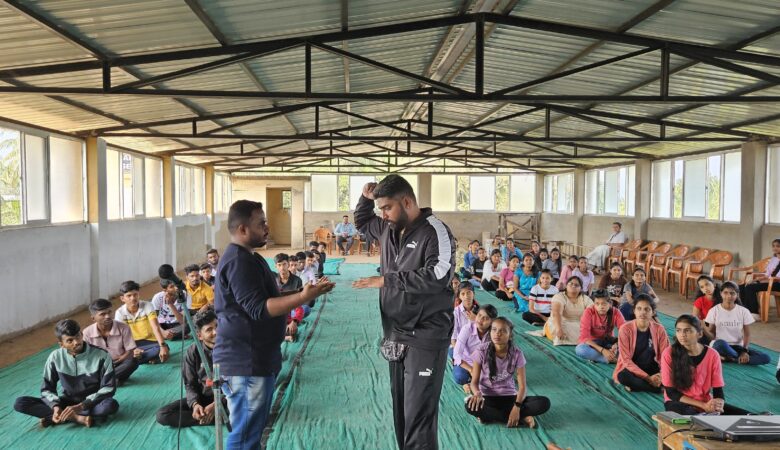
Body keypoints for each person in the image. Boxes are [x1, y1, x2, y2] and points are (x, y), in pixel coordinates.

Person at [214, 200, 334, 449]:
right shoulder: (239, 261)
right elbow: (258, 308)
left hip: (258, 357)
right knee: (245, 436)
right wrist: (303, 298)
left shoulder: (251, 258)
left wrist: (304, 291)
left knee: (251, 433)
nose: (267, 228)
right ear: (243, 229)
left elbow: (270, 298)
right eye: (262, 223)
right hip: (246, 361)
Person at [352, 176, 455, 450]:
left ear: (407, 202)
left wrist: (389, 279)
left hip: (425, 335)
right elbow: (362, 223)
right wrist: (365, 198)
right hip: (395, 333)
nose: (382, 215)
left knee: (419, 417)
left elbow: (438, 274)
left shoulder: (435, 231)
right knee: (403, 413)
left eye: (386, 208)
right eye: (380, 209)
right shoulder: (388, 228)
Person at [14, 319, 118, 428]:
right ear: (61, 344)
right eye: (70, 340)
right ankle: (76, 418)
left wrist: (82, 406)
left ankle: (57, 418)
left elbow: (109, 387)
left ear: (82, 334)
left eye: (78, 336)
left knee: (110, 406)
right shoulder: (55, 357)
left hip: (91, 403)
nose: (76, 342)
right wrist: (55, 407)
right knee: (20, 403)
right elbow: (47, 389)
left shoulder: (102, 355)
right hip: (67, 402)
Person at [465, 317, 551, 427]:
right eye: (494, 329)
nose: (497, 334)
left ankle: (491, 417)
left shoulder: (517, 353)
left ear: (510, 335)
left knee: (544, 403)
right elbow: (474, 382)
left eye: (503, 331)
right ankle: (520, 418)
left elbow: (522, 387)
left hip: (510, 397)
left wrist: (517, 407)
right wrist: (477, 393)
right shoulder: (481, 350)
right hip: (487, 397)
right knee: (469, 406)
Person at [661, 315, 752, 415]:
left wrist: (719, 403)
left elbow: (718, 389)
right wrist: (703, 406)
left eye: (688, 331)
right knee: (695, 418)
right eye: (678, 330)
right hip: (678, 402)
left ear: (699, 334)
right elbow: (671, 392)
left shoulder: (713, 355)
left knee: (746, 416)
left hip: (705, 402)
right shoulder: (669, 353)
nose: (682, 335)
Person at [157, 308, 229, 428]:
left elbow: (238, 385)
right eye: (209, 330)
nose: (216, 332)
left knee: (245, 409)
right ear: (199, 336)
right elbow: (190, 384)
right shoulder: (193, 351)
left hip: (227, 398)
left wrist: (217, 404)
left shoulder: (232, 347)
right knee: (163, 415)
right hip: (205, 396)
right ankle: (208, 417)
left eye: (217, 326)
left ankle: (216, 415)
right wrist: (195, 404)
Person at [613, 295, 669, 393]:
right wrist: (648, 378)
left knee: (678, 371)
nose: (643, 312)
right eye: (639, 309)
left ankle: (637, 385)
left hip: (653, 368)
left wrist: (660, 374)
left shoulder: (659, 329)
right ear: (634, 311)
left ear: (653, 312)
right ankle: (655, 388)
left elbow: (666, 355)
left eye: (647, 309)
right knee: (622, 376)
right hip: (633, 369)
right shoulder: (625, 329)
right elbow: (626, 360)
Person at [705, 281, 770, 366]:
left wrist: (744, 351)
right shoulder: (714, 311)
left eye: (732, 293)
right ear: (721, 294)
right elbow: (711, 334)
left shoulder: (743, 311)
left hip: (738, 347)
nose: (729, 296)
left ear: (737, 295)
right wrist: (703, 328)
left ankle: (731, 358)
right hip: (720, 346)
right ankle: (735, 358)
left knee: (766, 357)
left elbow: (747, 334)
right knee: (720, 343)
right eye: (725, 293)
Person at [82, 299, 139, 384]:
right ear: (93, 318)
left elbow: (130, 350)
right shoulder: (87, 332)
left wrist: (121, 359)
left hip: (119, 363)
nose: (108, 316)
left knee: (132, 362)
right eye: (103, 314)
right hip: (99, 366)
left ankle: (104, 380)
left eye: (109, 312)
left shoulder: (123, 327)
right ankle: (113, 379)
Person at [115, 280, 169, 364]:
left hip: (151, 342)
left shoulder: (147, 305)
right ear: (122, 298)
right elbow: (121, 336)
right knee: (123, 353)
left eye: (135, 294)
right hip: (133, 344)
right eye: (129, 296)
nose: (133, 298)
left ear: (138, 295)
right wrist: (133, 349)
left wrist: (162, 346)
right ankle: (145, 357)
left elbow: (155, 327)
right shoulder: (119, 313)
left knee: (162, 348)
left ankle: (137, 359)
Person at [452, 305, 498, 393]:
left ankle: (470, 383)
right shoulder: (467, 329)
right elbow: (457, 354)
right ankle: (466, 379)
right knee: (460, 377)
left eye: (486, 318)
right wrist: (471, 369)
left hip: (482, 363)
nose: (481, 320)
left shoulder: (494, 333)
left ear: (492, 322)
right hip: (467, 360)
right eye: (479, 315)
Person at [576, 290, 625, 364]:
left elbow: (625, 331)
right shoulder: (588, 312)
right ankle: (608, 359)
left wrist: (616, 345)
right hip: (593, 343)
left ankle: (609, 355)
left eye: (604, 304)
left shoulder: (616, 312)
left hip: (609, 342)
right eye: (597, 304)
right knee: (580, 349)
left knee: (630, 346)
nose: (601, 307)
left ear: (610, 303)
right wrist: (603, 350)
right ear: (594, 304)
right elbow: (584, 337)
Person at [544, 276, 593, 346]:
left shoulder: (585, 299)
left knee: (590, 328)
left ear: (581, 289)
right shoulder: (559, 296)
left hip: (579, 323)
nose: (573, 286)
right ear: (566, 286)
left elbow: (593, 312)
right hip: (560, 322)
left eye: (576, 285)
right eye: (571, 284)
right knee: (562, 328)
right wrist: (559, 329)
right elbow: (556, 313)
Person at [274, 253, 307, 342]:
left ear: (288, 264)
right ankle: (285, 335)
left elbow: (298, 302)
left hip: (292, 307)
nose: (282, 267)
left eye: (284, 264)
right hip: (277, 308)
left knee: (304, 309)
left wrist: (294, 321)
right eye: (279, 265)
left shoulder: (297, 280)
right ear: (275, 266)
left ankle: (286, 331)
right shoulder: (273, 279)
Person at [741, 238, 780, 313]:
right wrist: (754, 280)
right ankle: (745, 310)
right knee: (743, 285)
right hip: (770, 282)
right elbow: (767, 275)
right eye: (773, 246)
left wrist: (768, 280)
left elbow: (775, 278)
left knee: (750, 287)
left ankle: (753, 312)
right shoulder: (773, 259)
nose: (775, 248)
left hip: (777, 284)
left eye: (778, 246)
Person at [451, 282, 478, 358]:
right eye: (463, 294)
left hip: (477, 347)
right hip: (460, 347)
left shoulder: (480, 311)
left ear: (474, 294)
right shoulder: (456, 313)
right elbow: (454, 337)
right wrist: (460, 355)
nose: (466, 296)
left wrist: (476, 319)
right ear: (459, 296)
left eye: (469, 292)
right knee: (460, 369)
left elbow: (488, 330)